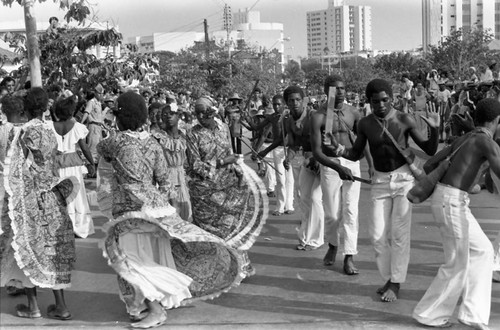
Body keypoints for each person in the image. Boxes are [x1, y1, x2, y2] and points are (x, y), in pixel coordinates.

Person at [97, 91, 248, 329]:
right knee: (151, 256)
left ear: (120, 117)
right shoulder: (153, 143)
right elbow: (165, 181)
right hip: (156, 206)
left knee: (129, 261)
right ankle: (143, 306)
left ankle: (155, 308)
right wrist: (160, 202)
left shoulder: (116, 142)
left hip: (131, 208)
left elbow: (100, 149)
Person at [325, 79, 440, 302]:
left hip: (404, 179)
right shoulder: (366, 124)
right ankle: (389, 277)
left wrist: (435, 130)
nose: (381, 105)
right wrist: (338, 149)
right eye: (375, 101)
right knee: (377, 236)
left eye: (385, 100)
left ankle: (395, 282)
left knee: (399, 234)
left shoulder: (404, 119)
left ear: (392, 98)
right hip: (379, 182)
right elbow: (356, 153)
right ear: (369, 102)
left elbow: (430, 149)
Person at [413, 98, 500, 330]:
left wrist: (463, 174)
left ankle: (473, 315)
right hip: (452, 202)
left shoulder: (465, 138)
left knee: (483, 251)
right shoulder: (486, 142)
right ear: (496, 121)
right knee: (457, 264)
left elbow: (430, 164)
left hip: (449, 200)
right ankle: (429, 314)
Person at [1, 87, 77, 320]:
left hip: (31, 199)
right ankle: (61, 306)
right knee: (53, 249)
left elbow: (16, 170)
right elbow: (52, 163)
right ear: (46, 107)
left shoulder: (23, 132)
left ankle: (33, 306)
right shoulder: (49, 131)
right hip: (53, 196)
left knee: (28, 247)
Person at [311, 75, 373, 276]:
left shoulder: (354, 112)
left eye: (343, 88)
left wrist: (370, 165)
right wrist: (337, 168)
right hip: (330, 165)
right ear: (326, 90)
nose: (340, 92)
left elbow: (363, 142)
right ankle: (333, 244)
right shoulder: (319, 116)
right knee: (331, 214)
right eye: (335, 88)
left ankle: (349, 255)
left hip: (352, 163)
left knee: (351, 212)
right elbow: (317, 151)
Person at [259, 86, 324, 251]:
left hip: (323, 161)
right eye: (291, 100)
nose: (295, 103)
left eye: (297, 100)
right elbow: (294, 144)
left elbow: (325, 141)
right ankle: (307, 237)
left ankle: (321, 240)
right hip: (307, 162)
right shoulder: (288, 120)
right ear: (287, 102)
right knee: (304, 199)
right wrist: (288, 158)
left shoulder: (314, 117)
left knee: (318, 201)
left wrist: (318, 158)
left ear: (304, 101)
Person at [50, 96, 95, 238]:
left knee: (59, 195)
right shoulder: (77, 127)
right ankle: (79, 226)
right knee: (76, 195)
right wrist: (91, 163)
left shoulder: (50, 126)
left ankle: (60, 226)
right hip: (73, 164)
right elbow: (85, 148)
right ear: (71, 112)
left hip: (56, 164)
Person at [251, 94, 294, 216]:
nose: (276, 106)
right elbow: (256, 127)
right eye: (274, 104)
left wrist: (264, 152)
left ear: (284, 105)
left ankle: (289, 205)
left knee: (289, 179)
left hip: (289, 150)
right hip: (277, 150)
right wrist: (247, 119)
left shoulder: (289, 117)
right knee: (280, 179)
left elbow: (283, 139)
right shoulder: (272, 117)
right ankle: (280, 207)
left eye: (279, 104)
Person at [152, 102, 192, 221]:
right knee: (168, 215)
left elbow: (191, 160)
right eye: (165, 114)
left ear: (178, 116)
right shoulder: (158, 138)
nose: (169, 116)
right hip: (165, 179)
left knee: (185, 213)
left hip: (183, 179)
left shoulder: (185, 136)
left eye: (172, 114)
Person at [81, 84, 105, 170]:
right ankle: (90, 169)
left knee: (99, 149)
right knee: (92, 147)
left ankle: (95, 170)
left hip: (99, 127)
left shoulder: (99, 103)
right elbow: (86, 113)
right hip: (93, 126)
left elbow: (100, 118)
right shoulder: (91, 102)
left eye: (102, 94)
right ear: (95, 93)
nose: (101, 95)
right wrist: (81, 123)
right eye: (99, 93)